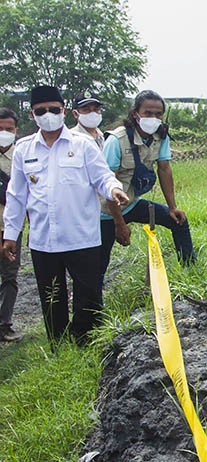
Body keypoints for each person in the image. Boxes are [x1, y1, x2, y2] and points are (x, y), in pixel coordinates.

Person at [2, 85, 129, 345]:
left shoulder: (83, 145)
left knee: (88, 297)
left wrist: (115, 189)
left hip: (82, 237)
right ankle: (59, 347)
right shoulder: (24, 150)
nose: (48, 114)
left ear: (63, 112)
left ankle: (86, 346)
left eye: (54, 109)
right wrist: (11, 235)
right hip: (43, 240)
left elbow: (102, 177)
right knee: (52, 298)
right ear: (32, 114)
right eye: (41, 110)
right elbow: (16, 196)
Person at [99, 90, 195, 288]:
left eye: (158, 114)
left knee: (179, 222)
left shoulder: (160, 136)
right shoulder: (116, 141)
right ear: (135, 113)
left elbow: (164, 169)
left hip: (132, 202)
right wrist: (119, 224)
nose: (154, 118)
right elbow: (106, 183)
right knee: (98, 263)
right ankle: (93, 305)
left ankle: (190, 274)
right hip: (106, 211)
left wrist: (172, 207)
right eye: (148, 113)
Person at [0, 108, 22, 342]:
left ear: (16, 131)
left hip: (12, 229)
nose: (4, 133)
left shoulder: (21, 156)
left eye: (8, 129)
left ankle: (4, 325)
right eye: (0, 129)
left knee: (10, 276)